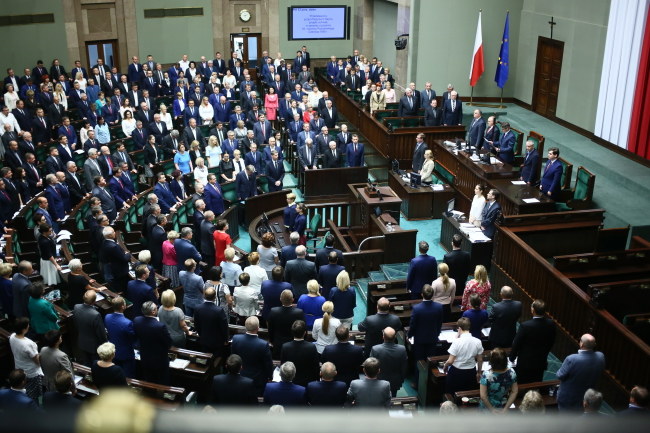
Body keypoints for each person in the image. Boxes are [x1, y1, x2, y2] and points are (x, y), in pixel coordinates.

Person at [556, 333, 606, 411]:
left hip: (568, 399)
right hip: (587, 397)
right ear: (594, 344)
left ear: (581, 344)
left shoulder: (572, 359)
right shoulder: (600, 357)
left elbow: (560, 375)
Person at [231, 316, 274, 395]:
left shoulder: (236, 339)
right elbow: (268, 364)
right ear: (258, 328)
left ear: (245, 327)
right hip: (257, 380)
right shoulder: (263, 344)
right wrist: (270, 377)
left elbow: (233, 357)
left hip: (239, 376)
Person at [408, 284, 443, 379]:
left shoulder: (417, 308)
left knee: (419, 361)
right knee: (430, 361)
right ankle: (428, 382)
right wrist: (437, 333)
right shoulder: (439, 307)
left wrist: (409, 335)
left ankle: (417, 381)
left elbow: (413, 325)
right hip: (433, 338)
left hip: (420, 339)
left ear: (422, 294)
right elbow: (439, 323)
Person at [134, 301, 172, 385]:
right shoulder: (160, 326)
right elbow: (168, 343)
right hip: (160, 360)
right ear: (153, 312)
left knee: (149, 380)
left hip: (145, 357)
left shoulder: (137, 320)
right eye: (156, 308)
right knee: (162, 382)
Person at [443, 317, 484, 395]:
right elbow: (480, 360)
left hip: (457, 372)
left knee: (452, 393)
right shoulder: (477, 341)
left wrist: (445, 366)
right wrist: (479, 372)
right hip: (471, 372)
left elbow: (450, 361)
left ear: (459, 328)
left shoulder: (457, 342)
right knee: (467, 394)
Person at [9, 318, 44, 402]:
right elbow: (37, 361)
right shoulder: (28, 344)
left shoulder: (12, 337)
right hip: (32, 372)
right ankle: (36, 406)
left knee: (25, 390)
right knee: (36, 394)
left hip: (20, 369)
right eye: (28, 325)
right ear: (24, 329)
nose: (29, 326)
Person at [104, 297, 137, 378]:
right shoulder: (128, 323)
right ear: (123, 307)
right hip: (126, 354)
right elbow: (134, 339)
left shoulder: (107, 317)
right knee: (128, 377)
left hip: (113, 352)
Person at [370, 326, 408, 397]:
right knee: (392, 398)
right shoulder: (402, 349)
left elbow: (371, 367)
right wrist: (401, 379)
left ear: (383, 337)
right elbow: (404, 367)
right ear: (395, 337)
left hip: (379, 380)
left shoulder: (375, 349)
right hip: (395, 380)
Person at [280, 320, 320, 387]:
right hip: (308, 382)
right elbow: (316, 367)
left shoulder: (285, 347)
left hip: (291, 382)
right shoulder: (311, 347)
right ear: (305, 333)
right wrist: (317, 381)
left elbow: (283, 365)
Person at [267, 289, 305, 359]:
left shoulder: (273, 311)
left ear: (280, 299)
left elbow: (270, 329)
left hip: (278, 344)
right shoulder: (299, 313)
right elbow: (303, 329)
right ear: (293, 299)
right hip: (294, 345)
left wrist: (272, 341)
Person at [73, 290, 108, 365]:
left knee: (87, 364)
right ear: (94, 301)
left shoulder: (76, 307)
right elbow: (101, 334)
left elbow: (76, 324)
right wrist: (105, 343)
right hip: (94, 347)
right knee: (95, 365)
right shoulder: (95, 315)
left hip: (82, 342)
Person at [479, 347, 518, 414]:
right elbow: (514, 391)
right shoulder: (512, 372)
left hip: (487, 408)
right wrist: (506, 408)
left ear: (492, 362)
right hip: (503, 405)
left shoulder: (486, 375)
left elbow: (483, 396)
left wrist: (492, 410)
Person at [193, 286, 229, 356]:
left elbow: (196, 324)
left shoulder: (197, 308)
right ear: (215, 297)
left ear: (204, 296)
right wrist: (226, 339)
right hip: (217, 342)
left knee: (205, 358)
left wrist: (201, 335)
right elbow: (224, 327)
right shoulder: (219, 311)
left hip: (203, 339)